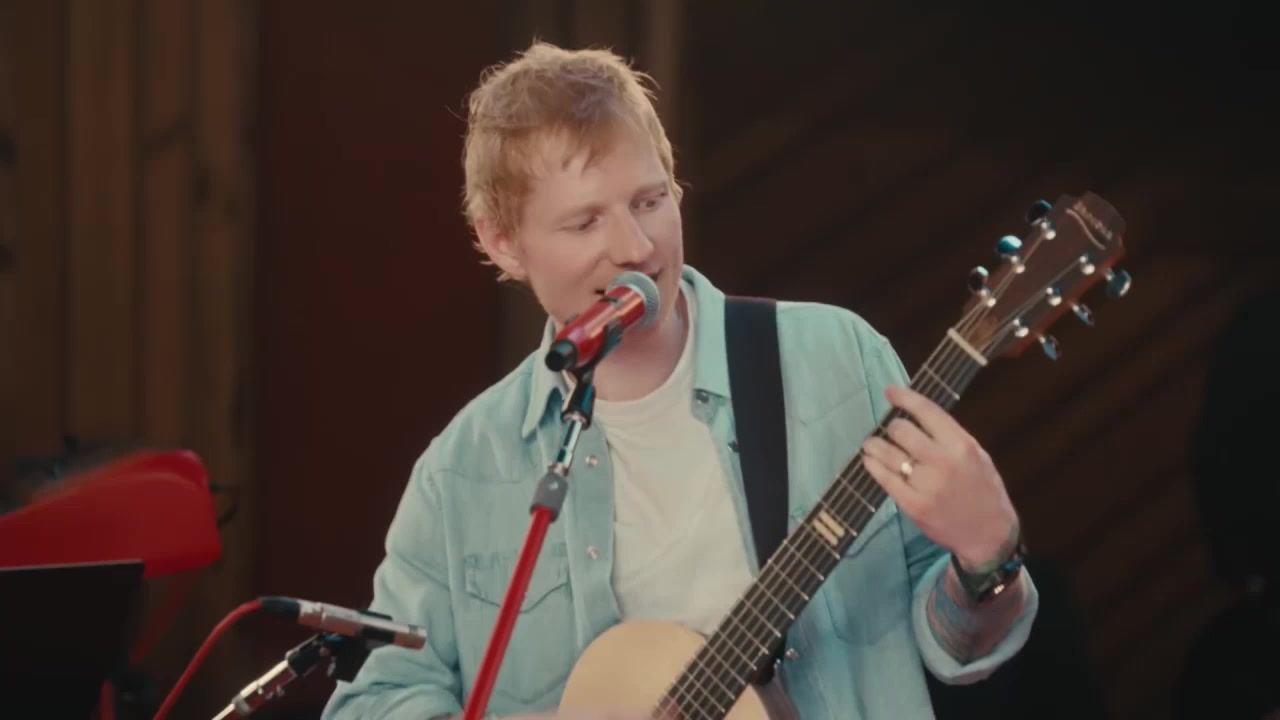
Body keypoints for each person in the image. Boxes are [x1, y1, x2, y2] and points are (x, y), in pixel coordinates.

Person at [321, 41, 1039, 720]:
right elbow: (371, 701)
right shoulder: (463, 470)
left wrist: (987, 564)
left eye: (649, 201)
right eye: (584, 223)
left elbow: (955, 650)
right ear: (502, 241)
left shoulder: (834, 357)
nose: (636, 249)